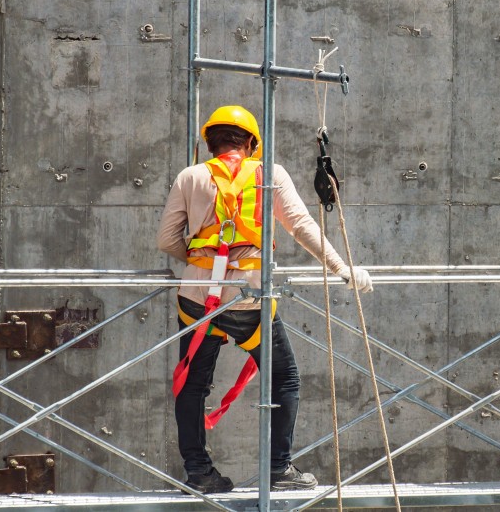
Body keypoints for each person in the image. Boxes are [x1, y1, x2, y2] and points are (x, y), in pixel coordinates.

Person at [158, 105, 373, 494]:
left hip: (198, 302)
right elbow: (301, 226)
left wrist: (204, 264)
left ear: (211, 142)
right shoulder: (268, 174)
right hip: (249, 301)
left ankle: (199, 472)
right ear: (252, 142)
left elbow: (167, 240)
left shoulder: (190, 177)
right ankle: (277, 468)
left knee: (192, 385)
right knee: (283, 378)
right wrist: (342, 268)